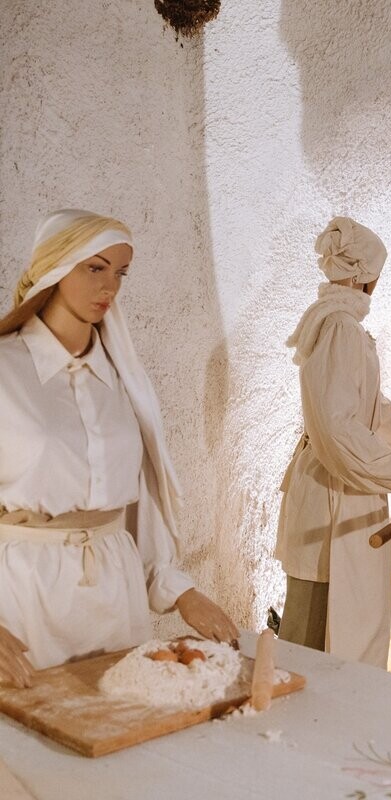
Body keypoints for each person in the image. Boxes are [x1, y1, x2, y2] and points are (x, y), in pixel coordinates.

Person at [0, 209, 238, 688]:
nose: (109, 286)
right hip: (24, 596)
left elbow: (140, 502)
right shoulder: (6, 370)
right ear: (55, 267)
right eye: (95, 267)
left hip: (116, 594)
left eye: (121, 272)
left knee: (120, 716)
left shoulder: (124, 379)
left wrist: (180, 591)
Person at [276, 216, 391, 668]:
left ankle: (332, 707)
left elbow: (374, 409)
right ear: (366, 276)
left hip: (346, 490)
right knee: (315, 637)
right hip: (333, 496)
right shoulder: (340, 328)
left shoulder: (340, 326)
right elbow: (338, 427)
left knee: (341, 631)